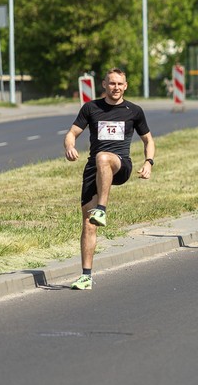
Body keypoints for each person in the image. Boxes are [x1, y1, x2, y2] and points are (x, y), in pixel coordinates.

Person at [63, 68, 156, 290]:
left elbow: (148, 140)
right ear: (104, 84)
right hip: (93, 169)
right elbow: (71, 133)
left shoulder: (133, 111)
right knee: (88, 223)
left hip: (120, 164)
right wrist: (69, 146)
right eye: (112, 83)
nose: (116, 88)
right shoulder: (91, 108)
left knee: (103, 157)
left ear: (126, 86)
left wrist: (148, 162)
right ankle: (86, 276)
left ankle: (102, 208)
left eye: (120, 84)